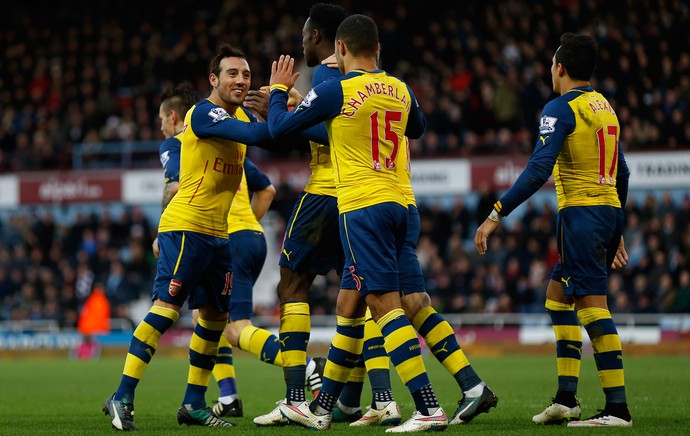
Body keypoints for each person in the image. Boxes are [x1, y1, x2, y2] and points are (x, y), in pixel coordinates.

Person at [103, 44, 304, 431]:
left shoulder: (242, 112)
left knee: (214, 319)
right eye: (232, 74)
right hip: (187, 228)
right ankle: (123, 396)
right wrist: (278, 99)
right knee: (166, 310)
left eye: (246, 75)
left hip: (219, 236)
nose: (241, 80)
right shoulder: (204, 113)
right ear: (214, 80)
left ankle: (193, 404)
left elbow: (277, 130)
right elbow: (261, 132)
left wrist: (291, 100)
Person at [267, 14, 448, 432]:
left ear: (341, 49)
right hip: (403, 204)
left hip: (363, 206)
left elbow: (278, 128)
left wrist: (279, 92)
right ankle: (325, 405)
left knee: (384, 306)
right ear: (378, 50)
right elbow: (416, 128)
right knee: (356, 303)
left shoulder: (337, 90)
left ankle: (427, 406)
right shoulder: (400, 88)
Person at [474, 32, 632, 428]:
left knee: (593, 308)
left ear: (559, 68)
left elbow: (538, 169)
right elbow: (622, 172)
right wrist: (618, 224)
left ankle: (617, 409)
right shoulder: (605, 107)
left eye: (551, 63)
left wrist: (497, 211)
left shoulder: (559, 108)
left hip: (581, 215)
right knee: (557, 299)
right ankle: (566, 399)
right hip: (604, 212)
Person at [253, 2, 349, 427]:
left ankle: (296, 397)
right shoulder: (361, 75)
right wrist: (296, 104)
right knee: (362, 297)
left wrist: (278, 98)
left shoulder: (327, 73)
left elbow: (292, 132)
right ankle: (365, 399)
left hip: (326, 192)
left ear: (318, 36)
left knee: (290, 285)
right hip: (359, 196)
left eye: (304, 34)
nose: (301, 42)